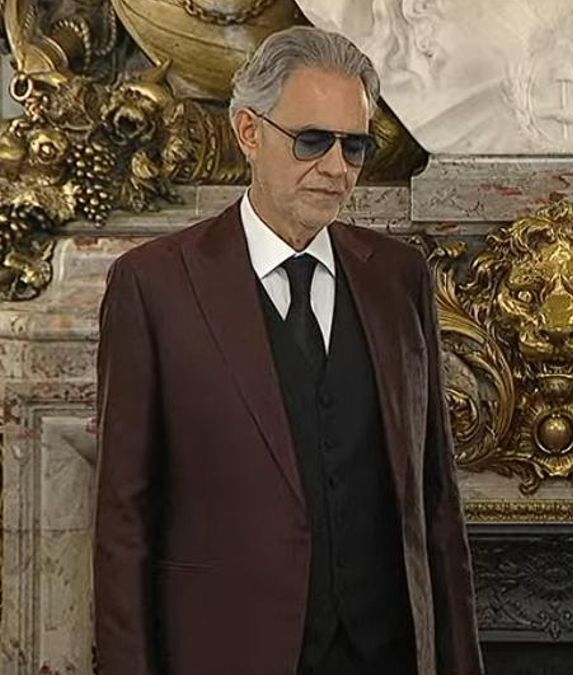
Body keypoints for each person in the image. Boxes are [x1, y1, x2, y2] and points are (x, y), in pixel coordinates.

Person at [93, 26, 482, 675]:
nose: (336, 168)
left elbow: (438, 503)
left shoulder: (399, 276)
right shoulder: (153, 283)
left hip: (386, 653)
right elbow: (122, 521)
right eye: (312, 140)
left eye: (354, 146)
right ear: (249, 131)